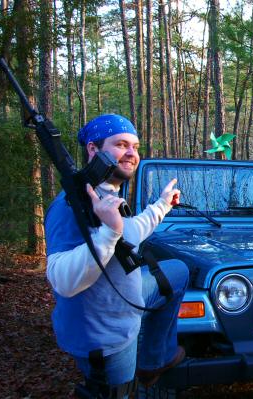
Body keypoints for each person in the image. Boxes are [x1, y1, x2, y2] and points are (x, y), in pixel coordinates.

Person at [44, 114, 189, 394]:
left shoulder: (107, 194)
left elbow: (129, 232)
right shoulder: (68, 207)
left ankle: (153, 360)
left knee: (178, 272)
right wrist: (108, 233)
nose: (131, 154)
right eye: (121, 144)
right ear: (93, 149)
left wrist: (162, 205)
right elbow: (62, 280)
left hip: (129, 298)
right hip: (106, 332)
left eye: (135, 147)